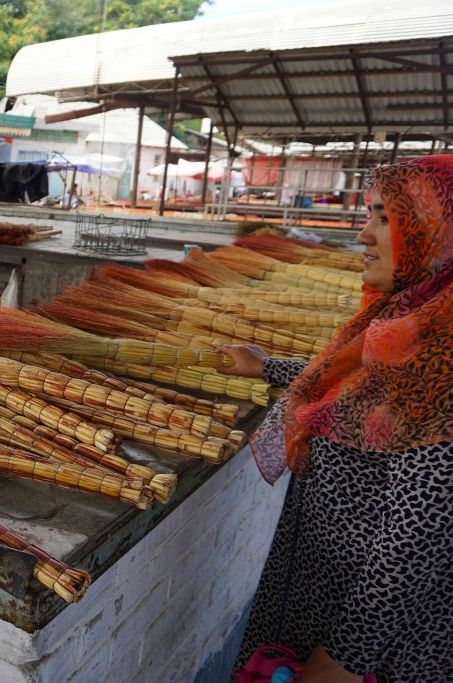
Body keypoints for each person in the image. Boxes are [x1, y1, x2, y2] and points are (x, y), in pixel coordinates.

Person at [220, 154, 453, 683]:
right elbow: (367, 390)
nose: (363, 236)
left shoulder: (447, 351)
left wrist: (342, 661)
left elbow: (418, 531)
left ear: (437, 231)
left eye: (384, 218)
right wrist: (267, 366)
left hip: (376, 647)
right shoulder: (407, 322)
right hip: (325, 597)